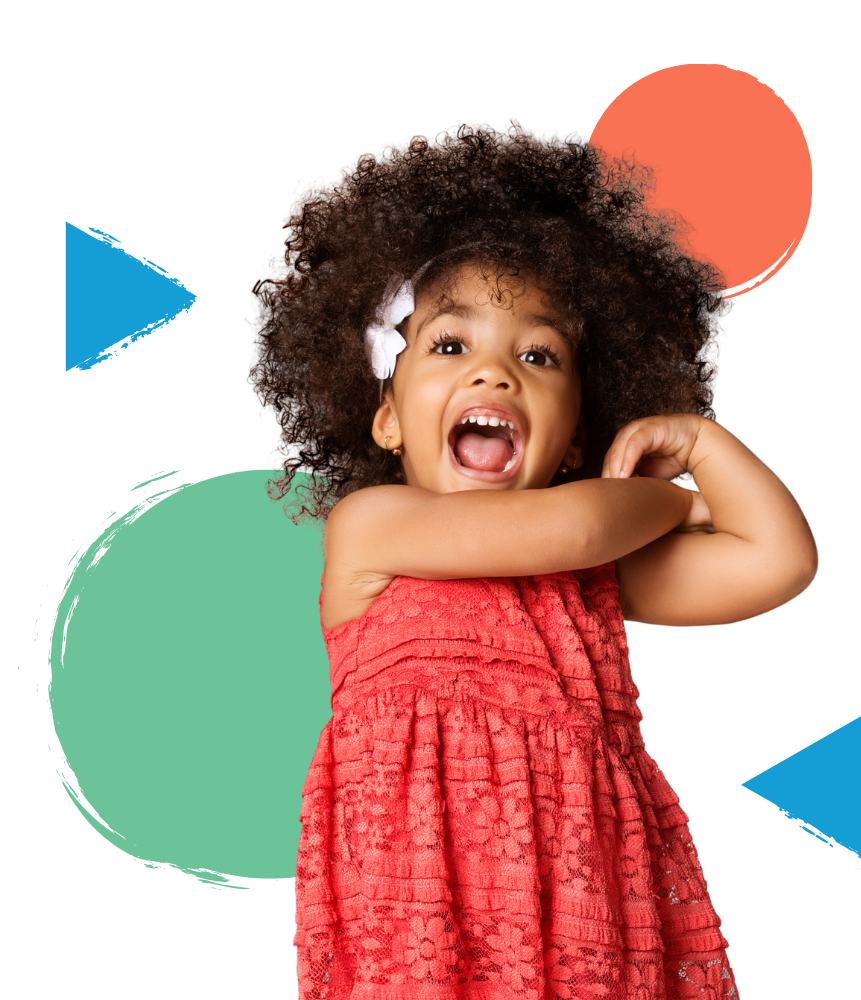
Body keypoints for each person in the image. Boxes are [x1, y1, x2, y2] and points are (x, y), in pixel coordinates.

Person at [247, 119, 818, 998]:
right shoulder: (376, 530)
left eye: (539, 354)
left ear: (578, 438)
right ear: (388, 418)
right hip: (423, 933)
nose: (495, 373)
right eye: (448, 345)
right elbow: (583, 527)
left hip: (589, 922)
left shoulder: (586, 585)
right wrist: (676, 497)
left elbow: (781, 561)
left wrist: (699, 442)